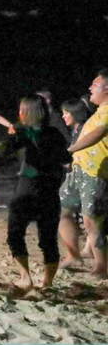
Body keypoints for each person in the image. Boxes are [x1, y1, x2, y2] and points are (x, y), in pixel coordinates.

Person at [0, 96, 71, 291]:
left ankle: (26, 278)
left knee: (15, 234)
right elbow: (65, 159)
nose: (19, 113)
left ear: (28, 112)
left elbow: (4, 148)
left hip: (27, 189)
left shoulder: (24, 132)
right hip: (50, 190)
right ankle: (48, 283)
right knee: (48, 239)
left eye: (21, 109)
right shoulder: (55, 134)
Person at [61, 68, 108, 279]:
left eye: (95, 85)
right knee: (63, 212)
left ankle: (101, 266)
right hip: (79, 171)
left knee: (91, 221)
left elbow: (98, 134)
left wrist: (69, 150)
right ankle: (74, 255)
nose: (90, 88)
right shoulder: (99, 112)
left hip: (95, 173)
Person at [58, 99, 93, 268]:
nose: (63, 116)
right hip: (79, 176)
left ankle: (84, 257)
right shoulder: (78, 130)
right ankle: (85, 251)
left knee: (88, 218)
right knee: (88, 217)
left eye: (67, 113)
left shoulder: (86, 130)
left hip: (86, 176)